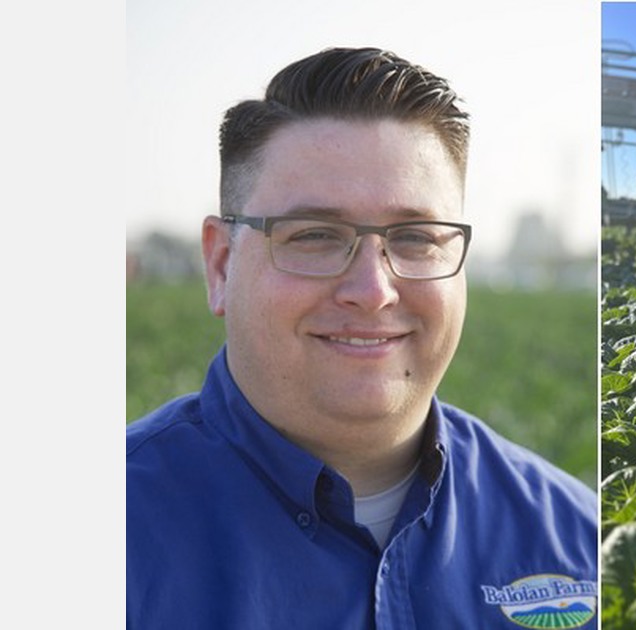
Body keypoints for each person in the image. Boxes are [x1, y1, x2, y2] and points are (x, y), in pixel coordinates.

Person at [126, 47, 598, 628]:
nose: (373, 290)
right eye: (316, 236)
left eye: (417, 238)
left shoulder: (581, 539)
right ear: (222, 265)